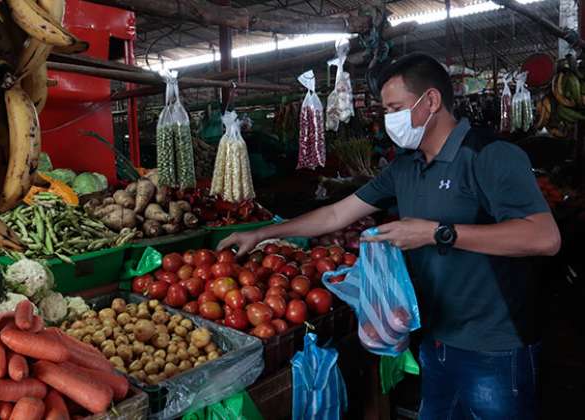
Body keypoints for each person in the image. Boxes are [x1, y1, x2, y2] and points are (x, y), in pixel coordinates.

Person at [218, 53, 560, 419]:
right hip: (435, 337)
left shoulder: (490, 155)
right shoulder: (405, 167)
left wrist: (437, 233)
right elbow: (336, 213)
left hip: (494, 348)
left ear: (431, 101)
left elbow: (544, 238)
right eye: (385, 110)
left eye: (395, 108)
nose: (388, 120)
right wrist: (263, 233)